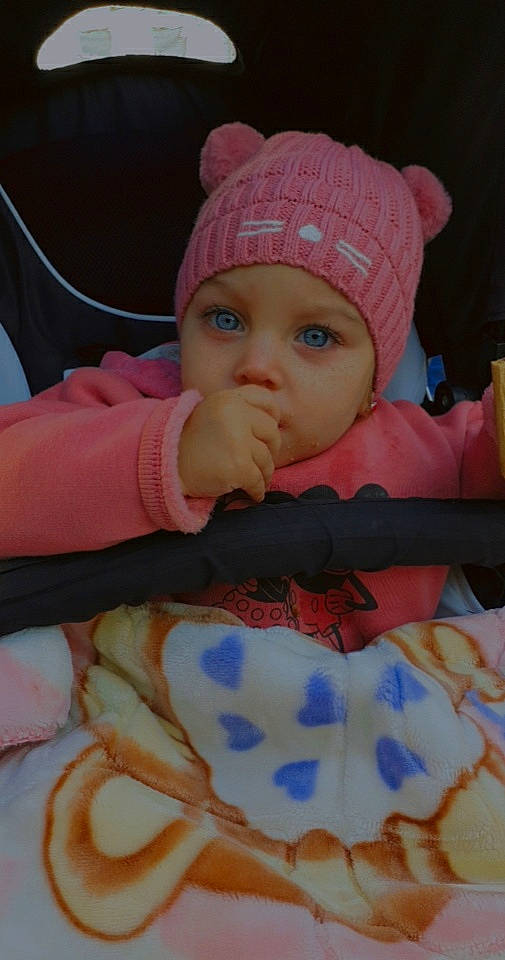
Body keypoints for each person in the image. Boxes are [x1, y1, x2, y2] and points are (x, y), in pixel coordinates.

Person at [0, 122, 503, 653]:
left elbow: (491, 457)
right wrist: (165, 456)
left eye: (316, 336)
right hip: (149, 688)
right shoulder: (129, 402)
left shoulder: (431, 449)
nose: (256, 366)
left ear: (370, 384)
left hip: (359, 695)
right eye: (225, 319)